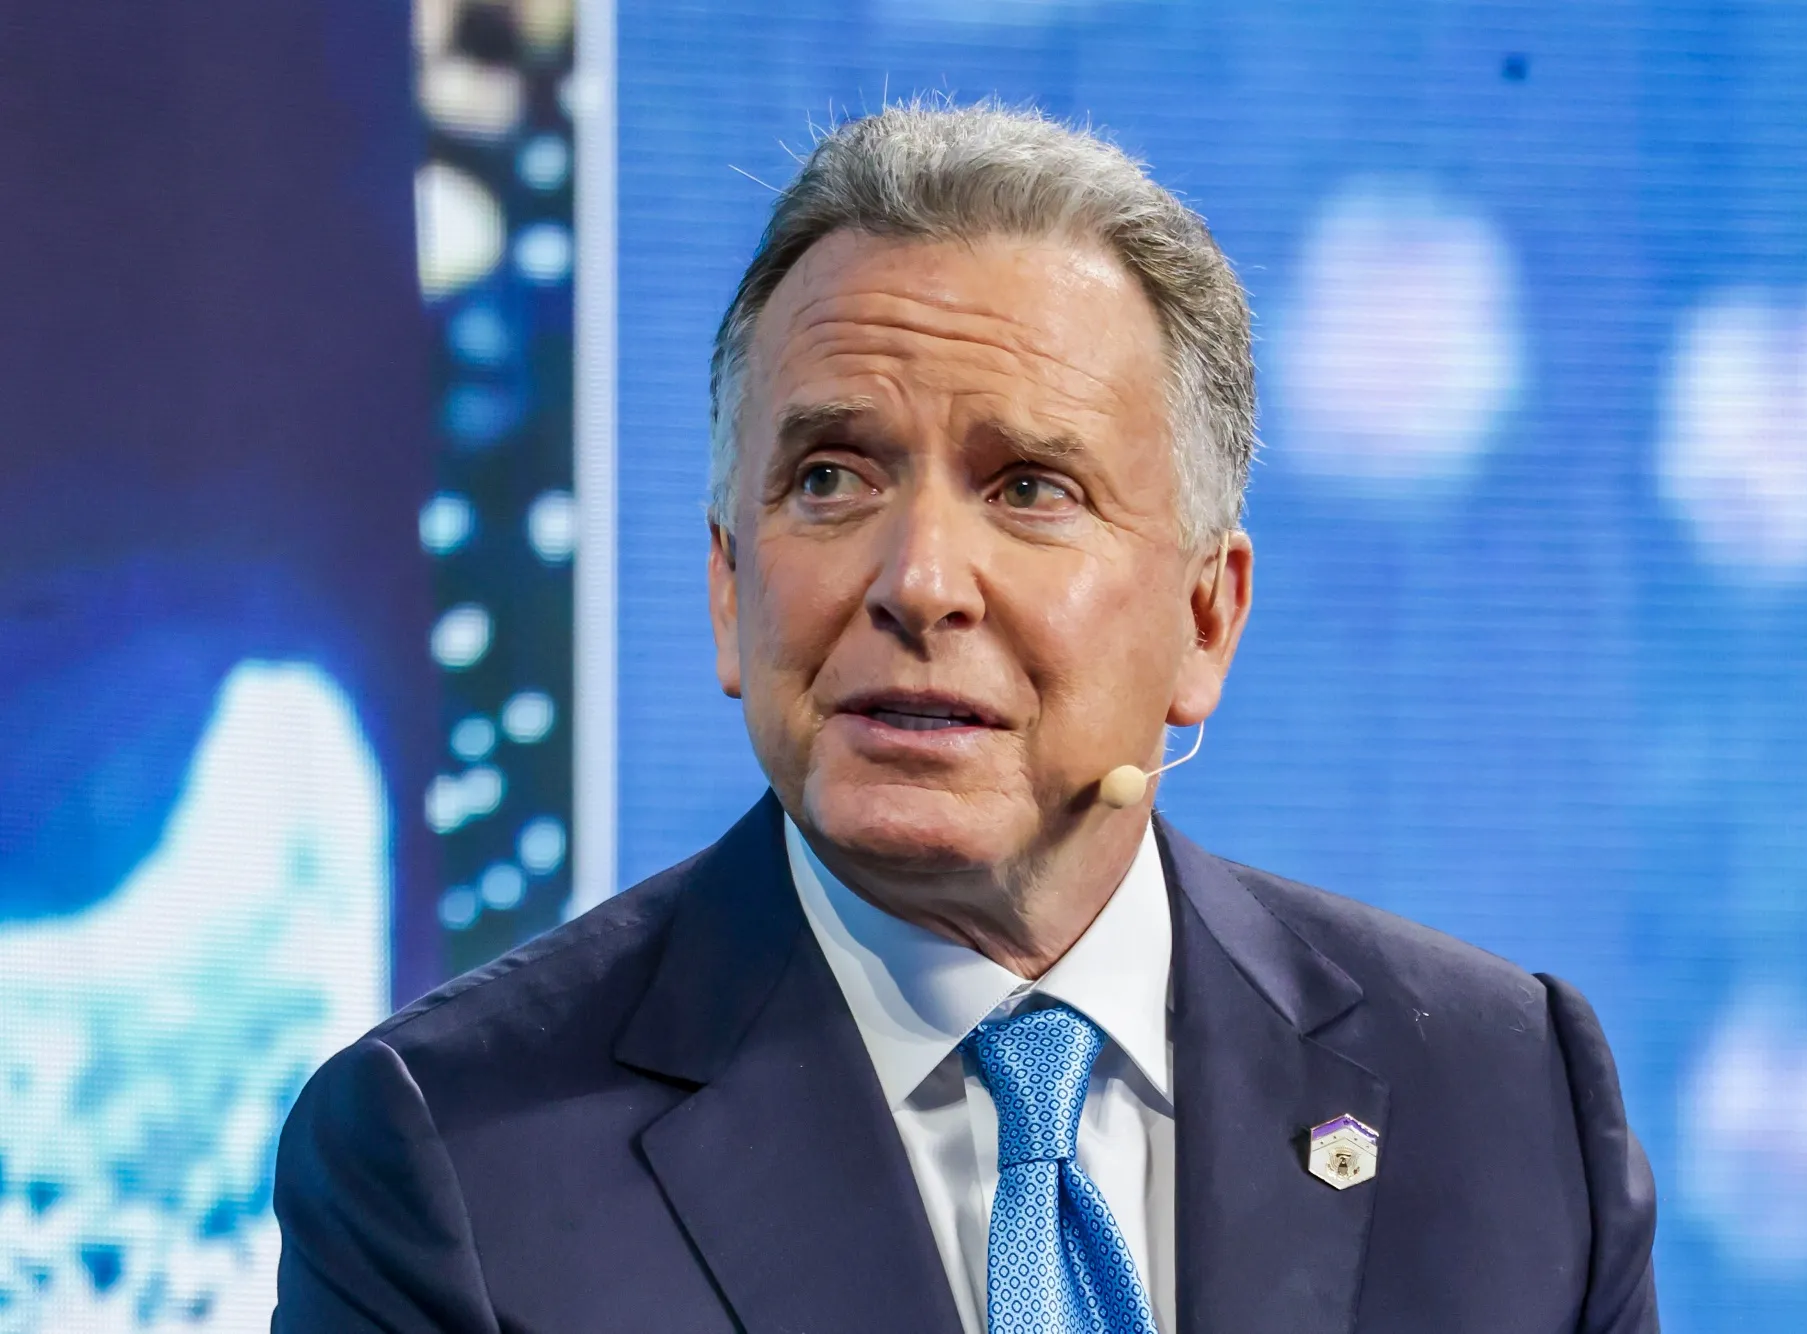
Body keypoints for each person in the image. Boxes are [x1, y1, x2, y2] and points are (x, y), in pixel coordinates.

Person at [272, 103, 1658, 1333]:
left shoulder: (1506, 1099)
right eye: (831, 478)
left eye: (1031, 488)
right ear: (727, 588)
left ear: (1206, 618)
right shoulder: (454, 1154)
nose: (919, 580)